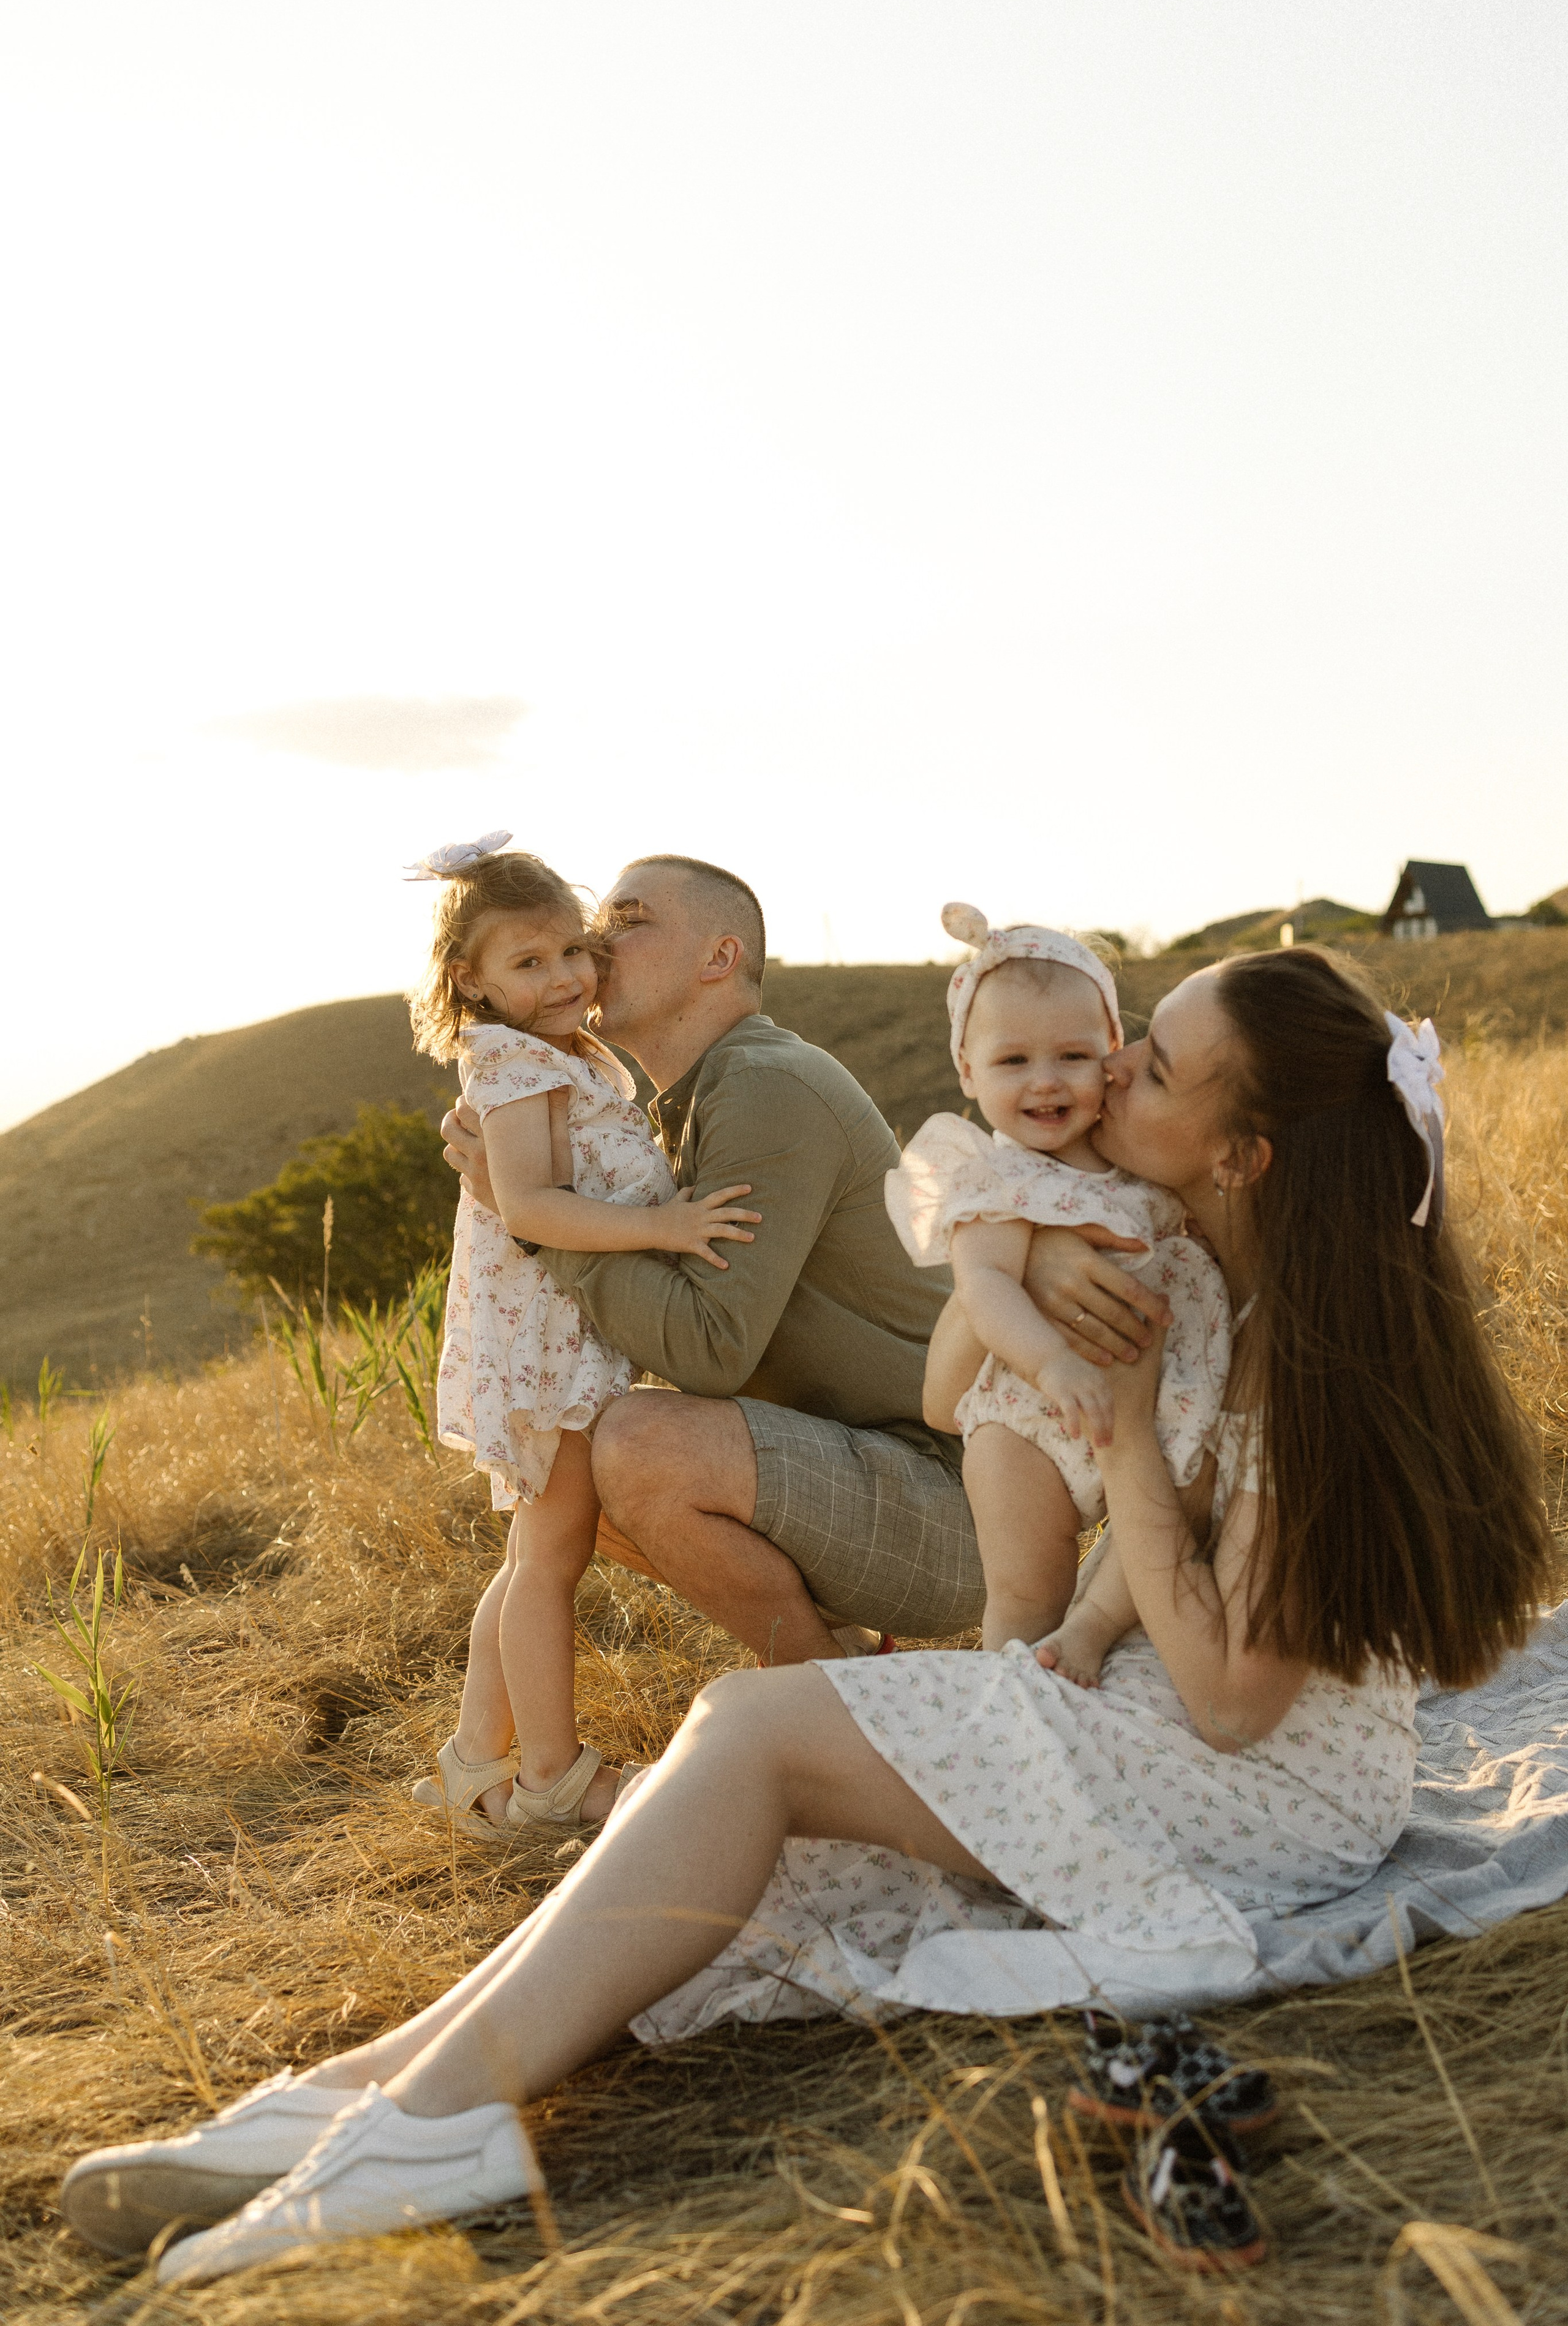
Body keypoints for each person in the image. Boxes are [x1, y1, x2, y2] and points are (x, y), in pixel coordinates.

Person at [64, 947, 1551, 2288]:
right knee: (743, 1808)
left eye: (1147, 1064)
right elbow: (950, 1365)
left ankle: (440, 2124)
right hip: (1180, 1710)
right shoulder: (1199, 1262)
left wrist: (1120, 1447)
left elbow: (1232, 1698)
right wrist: (1019, 1266)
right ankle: (372, 2087)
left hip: (1262, 1790)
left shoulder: (1316, 1382)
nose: (1103, 1073)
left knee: (751, 1731)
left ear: (1240, 1154)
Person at [447, 853, 1107, 1662]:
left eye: (628, 920)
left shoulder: (765, 1085)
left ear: (719, 959)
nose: (591, 940)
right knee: (565, 1461)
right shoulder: (687, 1108)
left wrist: (541, 1228)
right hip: (881, 1475)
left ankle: (834, 1706)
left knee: (632, 1446)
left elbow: (710, 1350)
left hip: (969, 1507)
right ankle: (848, 1660)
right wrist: (537, 1190)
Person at [404, 836, 761, 1837]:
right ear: (469, 981)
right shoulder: (511, 1062)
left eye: (572, 950)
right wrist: (665, 1226)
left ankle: (475, 1761)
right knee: (551, 1560)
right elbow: (533, 1208)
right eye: (529, 963)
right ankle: (553, 1777)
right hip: (545, 1348)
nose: (563, 975)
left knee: (533, 1553)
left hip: (565, 1334)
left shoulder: (565, 1051)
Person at [887, 902, 1229, 1655]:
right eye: (1013, 1062)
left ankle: (1090, 1631)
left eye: (1071, 1057)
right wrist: (1051, 1363)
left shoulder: (1142, 1159)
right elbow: (985, 1290)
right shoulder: (997, 1182)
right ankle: (1011, 1691)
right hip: (1024, 1417)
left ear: (1112, 1051)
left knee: (1179, 1507)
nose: (1045, 1083)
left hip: (1162, 1399)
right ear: (967, 1072)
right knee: (1021, 1588)